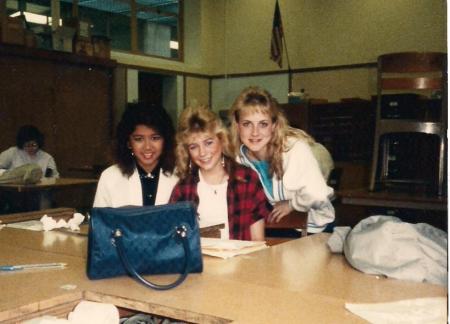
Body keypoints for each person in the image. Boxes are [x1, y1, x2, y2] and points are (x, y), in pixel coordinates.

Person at [229, 86, 335, 234]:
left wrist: (293, 204)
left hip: (313, 228)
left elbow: (318, 194)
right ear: (237, 125)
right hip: (274, 228)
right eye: (247, 124)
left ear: (273, 125)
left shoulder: (293, 148)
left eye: (263, 124)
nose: (255, 132)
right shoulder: (238, 160)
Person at [169, 106, 270, 241]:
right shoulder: (183, 189)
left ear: (222, 140)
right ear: (187, 151)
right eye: (194, 146)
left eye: (208, 143)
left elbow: (258, 241)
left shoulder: (247, 180)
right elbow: (175, 243)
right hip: (200, 261)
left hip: (242, 260)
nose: (202, 152)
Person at [93, 103, 178, 208]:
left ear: (166, 140)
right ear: (128, 142)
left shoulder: (181, 175)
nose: (147, 147)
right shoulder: (110, 177)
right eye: (139, 139)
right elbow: (100, 222)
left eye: (155, 138)